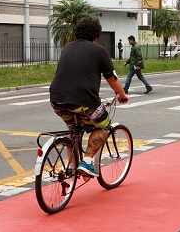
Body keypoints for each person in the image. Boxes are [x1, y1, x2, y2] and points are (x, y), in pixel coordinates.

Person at [49, 17, 129, 178]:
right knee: (104, 125)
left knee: (73, 131)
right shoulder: (99, 51)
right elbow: (111, 78)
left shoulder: (67, 47)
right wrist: (122, 95)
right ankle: (86, 161)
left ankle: (72, 168)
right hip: (83, 101)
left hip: (57, 99)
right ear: (96, 37)